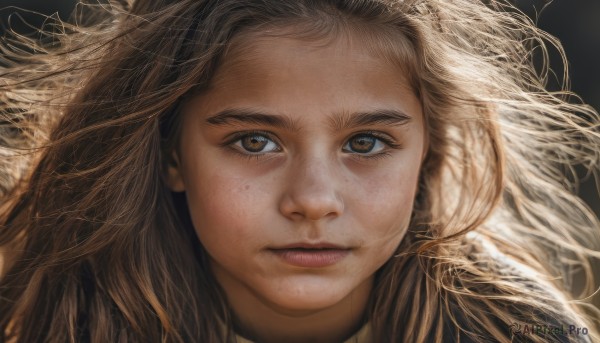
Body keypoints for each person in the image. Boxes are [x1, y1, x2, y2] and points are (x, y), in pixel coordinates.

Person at [0, 0, 598, 342]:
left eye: (366, 141)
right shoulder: (47, 321)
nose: (314, 201)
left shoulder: (521, 333)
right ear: (171, 155)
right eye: (254, 141)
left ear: (428, 155)